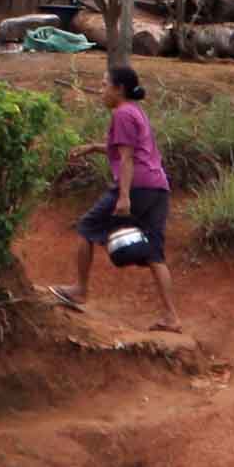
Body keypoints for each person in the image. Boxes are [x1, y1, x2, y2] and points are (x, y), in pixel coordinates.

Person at [54, 61, 181, 332]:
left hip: (137, 187)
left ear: (119, 88)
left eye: (104, 85)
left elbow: (127, 159)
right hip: (158, 187)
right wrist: (92, 147)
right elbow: (130, 149)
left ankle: (80, 290)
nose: (101, 91)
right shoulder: (136, 111)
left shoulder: (122, 114)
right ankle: (171, 317)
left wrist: (124, 197)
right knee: (155, 254)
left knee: (87, 227)